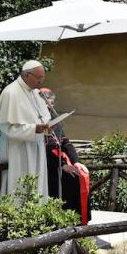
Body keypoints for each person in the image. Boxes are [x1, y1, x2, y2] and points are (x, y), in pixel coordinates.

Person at [0, 60, 52, 199]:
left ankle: (37, 214)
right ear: (26, 75)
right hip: (17, 149)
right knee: (19, 185)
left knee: (37, 184)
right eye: (39, 78)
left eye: (42, 77)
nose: (41, 81)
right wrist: (33, 129)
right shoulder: (10, 92)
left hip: (36, 146)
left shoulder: (35, 93)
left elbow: (43, 116)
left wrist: (48, 125)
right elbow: (6, 127)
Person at [39, 88, 90, 224]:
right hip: (43, 162)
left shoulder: (55, 119)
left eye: (51, 104)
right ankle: (60, 221)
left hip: (57, 159)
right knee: (68, 179)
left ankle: (78, 220)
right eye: (46, 105)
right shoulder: (35, 119)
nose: (49, 108)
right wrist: (62, 165)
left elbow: (65, 142)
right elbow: (43, 148)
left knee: (78, 175)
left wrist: (76, 162)